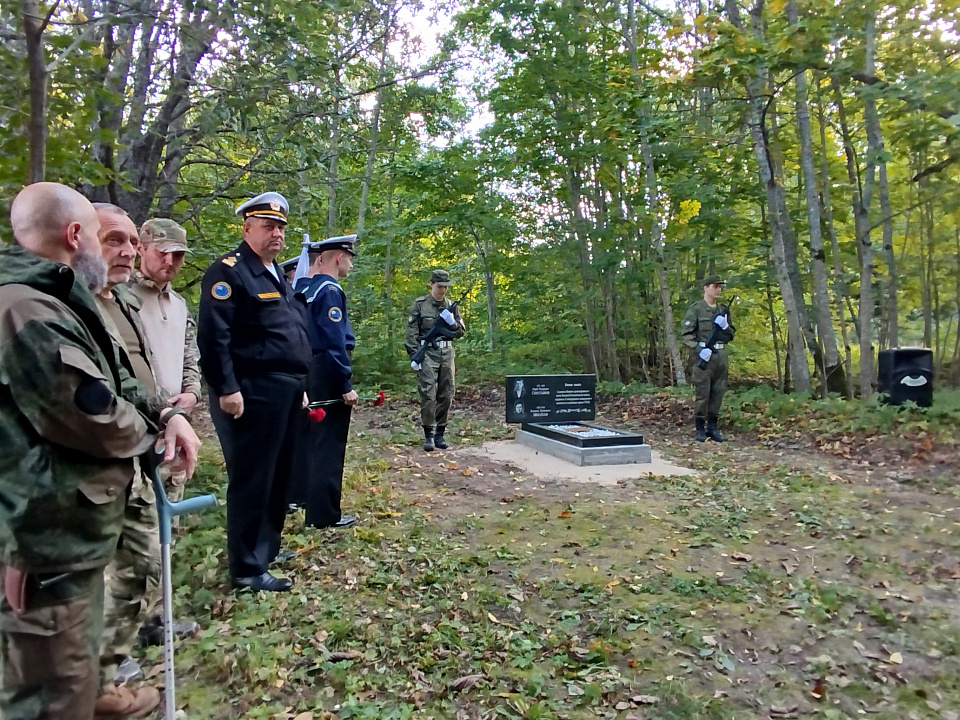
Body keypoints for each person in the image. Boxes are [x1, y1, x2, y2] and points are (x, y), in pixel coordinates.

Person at [0, 183, 199, 720]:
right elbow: (94, 414)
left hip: (69, 529)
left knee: (69, 670)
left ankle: (97, 689)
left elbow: (119, 382)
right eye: (103, 235)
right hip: (43, 534)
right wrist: (148, 428)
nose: (126, 253)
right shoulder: (25, 309)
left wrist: (167, 414)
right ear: (74, 235)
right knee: (48, 697)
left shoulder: (65, 301)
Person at [197, 191, 312, 592]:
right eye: (268, 226)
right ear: (246, 228)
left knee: (280, 475)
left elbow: (290, 333)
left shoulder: (276, 272)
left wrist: (299, 385)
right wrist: (226, 388)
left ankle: (267, 548)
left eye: (280, 227)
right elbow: (214, 337)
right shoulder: (229, 271)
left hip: (286, 389)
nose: (276, 233)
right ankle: (246, 567)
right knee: (253, 478)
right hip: (250, 391)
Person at [289, 235, 359, 529]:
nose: (351, 264)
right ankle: (324, 513)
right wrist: (344, 384)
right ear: (337, 257)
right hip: (325, 371)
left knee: (307, 440)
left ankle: (300, 496)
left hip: (305, 369)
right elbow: (333, 343)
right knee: (328, 445)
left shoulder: (305, 287)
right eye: (349, 257)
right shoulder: (330, 290)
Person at [404, 269, 465, 451]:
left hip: (447, 353)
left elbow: (460, 331)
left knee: (447, 394)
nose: (442, 290)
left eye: (445, 287)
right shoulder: (420, 305)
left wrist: (452, 323)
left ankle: (440, 434)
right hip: (428, 353)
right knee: (428, 394)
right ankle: (428, 434)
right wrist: (415, 355)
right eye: (439, 286)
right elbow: (411, 334)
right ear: (431, 284)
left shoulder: (452, 306)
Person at [680, 275, 735, 442]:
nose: (718, 289)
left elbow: (730, 335)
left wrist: (725, 327)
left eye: (720, 287)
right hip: (704, 355)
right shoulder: (696, 309)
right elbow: (686, 335)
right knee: (703, 393)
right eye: (714, 286)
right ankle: (699, 429)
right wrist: (699, 348)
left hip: (720, 356)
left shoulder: (722, 310)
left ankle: (712, 428)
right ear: (705, 288)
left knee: (718, 392)